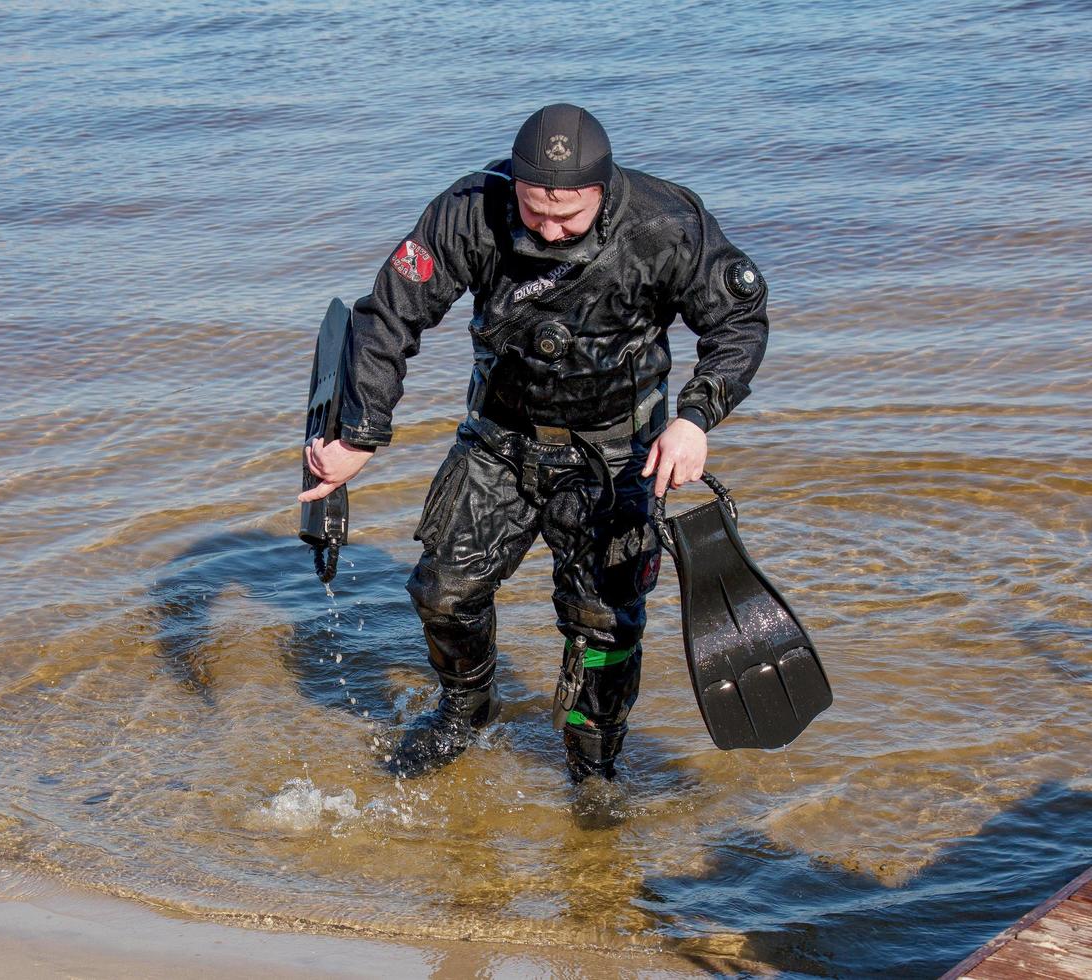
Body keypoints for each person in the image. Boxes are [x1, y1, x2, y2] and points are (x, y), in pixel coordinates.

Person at [298, 104, 768, 784]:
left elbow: (740, 322)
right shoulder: (469, 210)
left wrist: (695, 418)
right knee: (443, 593)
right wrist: (361, 432)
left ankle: (594, 762)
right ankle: (466, 708)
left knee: (603, 625)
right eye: (534, 209)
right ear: (515, 182)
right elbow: (390, 315)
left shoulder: (666, 226)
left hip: (617, 456)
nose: (548, 229)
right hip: (500, 440)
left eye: (567, 216)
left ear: (603, 190)